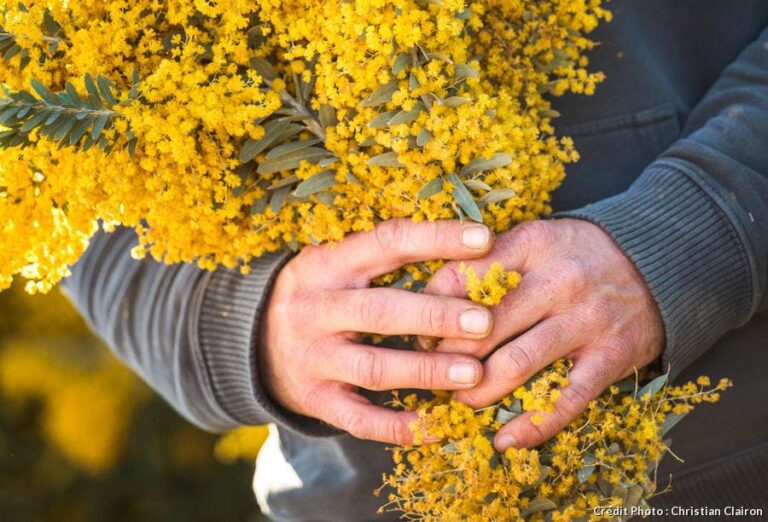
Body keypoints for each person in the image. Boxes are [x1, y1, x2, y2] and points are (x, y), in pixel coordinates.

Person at [62, 1, 768, 520]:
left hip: (725, 468)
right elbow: (65, 175)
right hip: (363, 499)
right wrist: (243, 322)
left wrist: (692, 230)